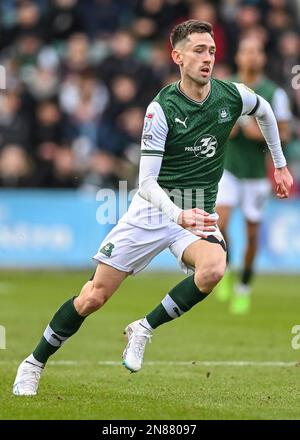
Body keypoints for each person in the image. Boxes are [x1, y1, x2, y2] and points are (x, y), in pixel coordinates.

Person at [13, 20, 293, 396]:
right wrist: (177, 215)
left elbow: (265, 111)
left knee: (213, 270)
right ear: (177, 56)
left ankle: (143, 328)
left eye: (211, 50)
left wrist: (279, 163)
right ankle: (33, 363)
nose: (207, 57)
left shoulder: (231, 95)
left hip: (195, 211)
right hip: (154, 210)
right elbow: (145, 184)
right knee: (93, 297)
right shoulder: (161, 109)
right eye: (198, 50)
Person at [215, 37, 291, 314]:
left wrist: (257, 134)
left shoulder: (274, 93)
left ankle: (244, 286)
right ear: (238, 56)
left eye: (256, 51)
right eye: (246, 50)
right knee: (219, 223)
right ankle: (223, 266)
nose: (251, 56)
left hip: (257, 174)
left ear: (262, 58)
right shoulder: (225, 87)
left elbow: (285, 133)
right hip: (229, 169)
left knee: (252, 233)